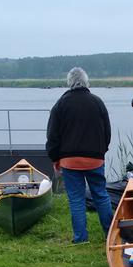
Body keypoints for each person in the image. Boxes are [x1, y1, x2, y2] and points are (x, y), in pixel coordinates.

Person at [46, 67, 114, 243]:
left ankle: (81, 239)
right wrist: (102, 152)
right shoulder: (97, 102)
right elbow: (107, 132)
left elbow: (52, 136)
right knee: (100, 194)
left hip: (69, 161)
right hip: (95, 158)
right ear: (86, 81)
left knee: (76, 199)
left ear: (69, 82)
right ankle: (111, 233)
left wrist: (55, 158)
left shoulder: (60, 105)